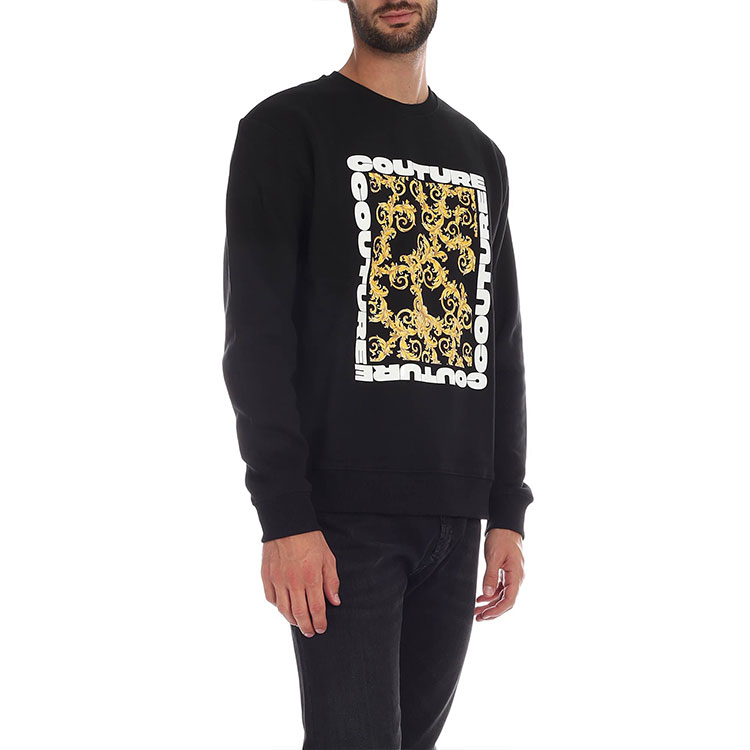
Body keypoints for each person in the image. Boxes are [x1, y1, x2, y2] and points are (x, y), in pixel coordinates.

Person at [221, 1, 534, 746]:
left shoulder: (481, 156)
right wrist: (285, 517)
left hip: (455, 520)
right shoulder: (284, 129)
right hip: (341, 522)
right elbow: (255, 339)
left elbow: (501, 343)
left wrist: (507, 512)